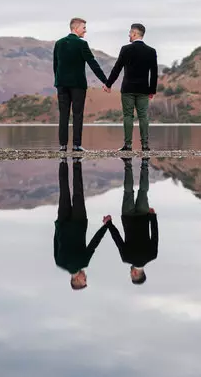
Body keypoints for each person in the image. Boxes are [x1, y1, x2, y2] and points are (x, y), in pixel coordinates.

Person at [53, 158, 112, 290]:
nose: (85, 277)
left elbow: (94, 243)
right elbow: (56, 241)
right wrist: (58, 225)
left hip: (79, 223)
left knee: (78, 193)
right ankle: (63, 160)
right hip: (63, 222)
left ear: (77, 280)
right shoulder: (59, 263)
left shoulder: (83, 262)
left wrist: (106, 226)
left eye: (84, 279)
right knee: (64, 191)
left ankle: (76, 162)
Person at [53, 17, 109, 152]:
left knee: (63, 114)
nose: (85, 31)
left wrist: (58, 80)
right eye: (84, 28)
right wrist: (106, 81)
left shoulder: (59, 43)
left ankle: (63, 145)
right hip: (77, 84)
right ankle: (76, 145)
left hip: (61, 84)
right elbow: (93, 64)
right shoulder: (81, 44)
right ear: (75, 28)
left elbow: (56, 65)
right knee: (77, 114)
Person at [103, 23, 158, 151]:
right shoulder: (151, 51)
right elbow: (154, 73)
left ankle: (128, 145)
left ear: (135, 33)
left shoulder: (126, 49)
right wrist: (152, 90)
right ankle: (145, 145)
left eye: (130, 32)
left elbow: (117, 68)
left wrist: (108, 84)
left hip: (128, 89)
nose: (128, 35)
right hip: (144, 89)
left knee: (128, 115)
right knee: (143, 115)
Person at [107, 157, 158, 285]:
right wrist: (109, 223)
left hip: (143, 216)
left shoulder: (152, 255)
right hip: (128, 217)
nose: (130, 273)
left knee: (143, 191)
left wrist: (153, 217)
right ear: (135, 274)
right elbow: (117, 239)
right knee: (128, 191)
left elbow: (155, 235)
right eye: (131, 275)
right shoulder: (126, 258)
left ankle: (145, 163)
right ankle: (128, 164)